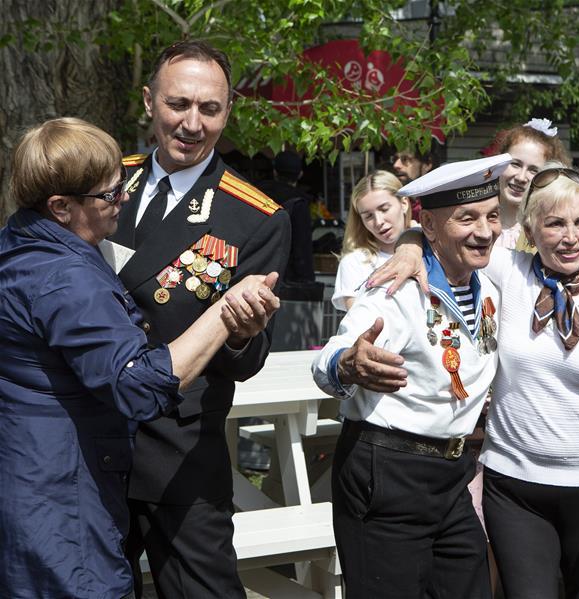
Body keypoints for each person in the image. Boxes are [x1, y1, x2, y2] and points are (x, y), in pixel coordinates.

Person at [365, 161, 579, 598]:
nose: (570, 237)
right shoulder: (508, 272)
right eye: (555, 224)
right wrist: (409, 245)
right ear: (530, 229)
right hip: (514, 487)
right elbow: (447, 233)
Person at [0, 118, 278, 598]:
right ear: (60, 207)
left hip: (47, 471)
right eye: (108, 196)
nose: (122, 200)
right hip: (65, 487)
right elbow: (138, 385)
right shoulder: (64, 276)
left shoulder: (21, 241)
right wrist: (225, 311)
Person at [109, 40, 291, 598]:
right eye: (178, 104)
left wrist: (241, 329)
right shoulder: (105, 182)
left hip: (180, 456)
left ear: (227, 110)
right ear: (148, 102)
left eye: (209, 109)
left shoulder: (254, 217)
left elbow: (246, 362)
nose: (192, 123)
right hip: (92, 442)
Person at [312, 154, 512, 599]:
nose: (485, 231)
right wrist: (348, 363)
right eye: (467, 218)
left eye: (492, 215)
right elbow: (329, 357)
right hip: (387, 474)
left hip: (452, 477)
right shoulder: (395, 288)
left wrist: (410, 240)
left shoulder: (492, 287)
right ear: (433, 227)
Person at [332, 170, 410, 311]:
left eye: (384, 209)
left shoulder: (430, 248)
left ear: (404, 203)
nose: (378, 221)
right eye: (368, 216)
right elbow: (358, 322)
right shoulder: (354, 262)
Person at [494, 117, 571, 249]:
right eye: (515, 164)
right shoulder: (477, 221)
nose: (521, 177)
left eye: (533, 170)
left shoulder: (547, 234)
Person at [256, 150, 316, 286]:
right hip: (285, 277)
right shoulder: (298, 203)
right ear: (300, 174)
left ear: (275, 172)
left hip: (256, 270)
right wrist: (306, 279)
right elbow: (302, 245)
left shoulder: (257, 195)